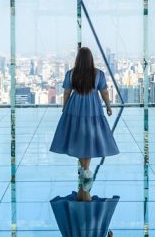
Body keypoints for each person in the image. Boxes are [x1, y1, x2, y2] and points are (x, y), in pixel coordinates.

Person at [50, 46, 119, 181]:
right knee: (90, 137)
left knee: (78, 136)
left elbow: (66, 92)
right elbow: (104, 91)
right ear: (90, 59)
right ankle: (86, 169)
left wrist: (65, 106)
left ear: (78, 59)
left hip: (75, 105)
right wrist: (108, 106)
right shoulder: (99, 74)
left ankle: (84, 169)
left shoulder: (71, 73)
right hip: (93, 105)